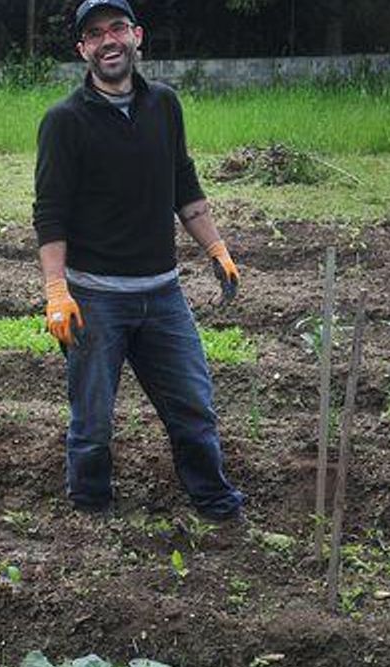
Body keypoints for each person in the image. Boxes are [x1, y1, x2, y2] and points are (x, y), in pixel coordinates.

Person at [32, 0, 245, 520]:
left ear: (137, 37)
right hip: (96, 300)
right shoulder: (64, 122)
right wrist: (57, 291)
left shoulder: (165, 106)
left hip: (162, 295)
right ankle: (90, 512)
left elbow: (185, 187)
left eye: (117, 29)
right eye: (95, 34)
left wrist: (216, 248)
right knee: (94, 420)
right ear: (82, 49)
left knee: (193, 407)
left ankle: (216, 506)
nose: (109, 40)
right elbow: (51, 213)